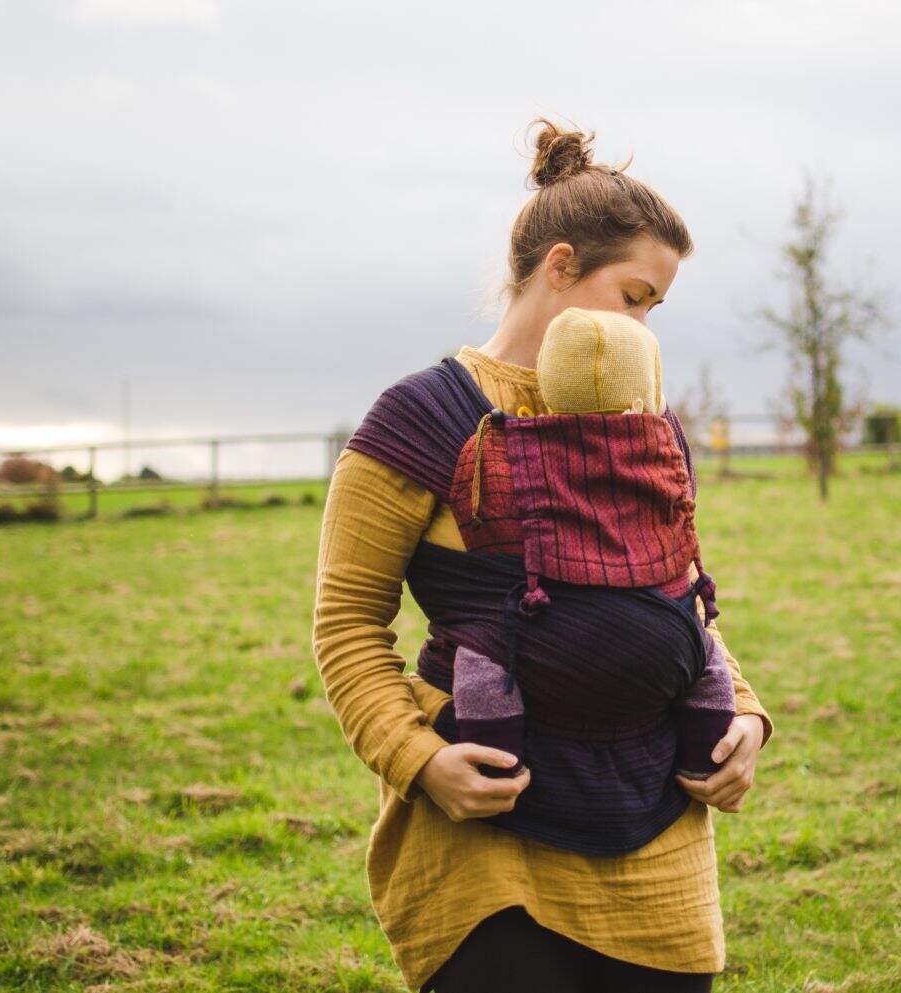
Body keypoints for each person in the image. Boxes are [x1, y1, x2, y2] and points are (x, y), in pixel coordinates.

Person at [311, 116, 774, 993]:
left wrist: (745, 715)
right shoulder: (421, 419)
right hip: (491, 841)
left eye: (655, 308)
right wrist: (418, 760)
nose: (644, 323)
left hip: (658, 836)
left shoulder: (650, 421)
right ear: (560, 266)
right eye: (633, 296)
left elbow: (675, 598)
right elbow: (346, 624)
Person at [444, 304, 736, 785]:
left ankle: (495, 761)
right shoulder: (664, 449)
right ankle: (707, 754)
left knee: (483, 659)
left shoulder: (503, 440)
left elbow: (480, 521)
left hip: (543, 624)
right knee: (706, 660)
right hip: (660, 634)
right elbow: (684, 516)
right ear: (643, 398)